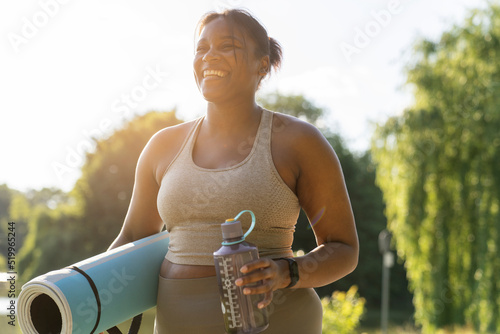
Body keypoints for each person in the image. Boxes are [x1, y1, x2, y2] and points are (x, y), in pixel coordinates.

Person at [107, 8, 359, 334]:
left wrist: (287, 272)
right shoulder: (162, 145)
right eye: (202, 48)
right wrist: (93, 298)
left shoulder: (299, 141)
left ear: (262, 65)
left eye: (227, 46)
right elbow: (131, 237)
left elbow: (344, 248)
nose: (210, 55)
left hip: (276, 324)